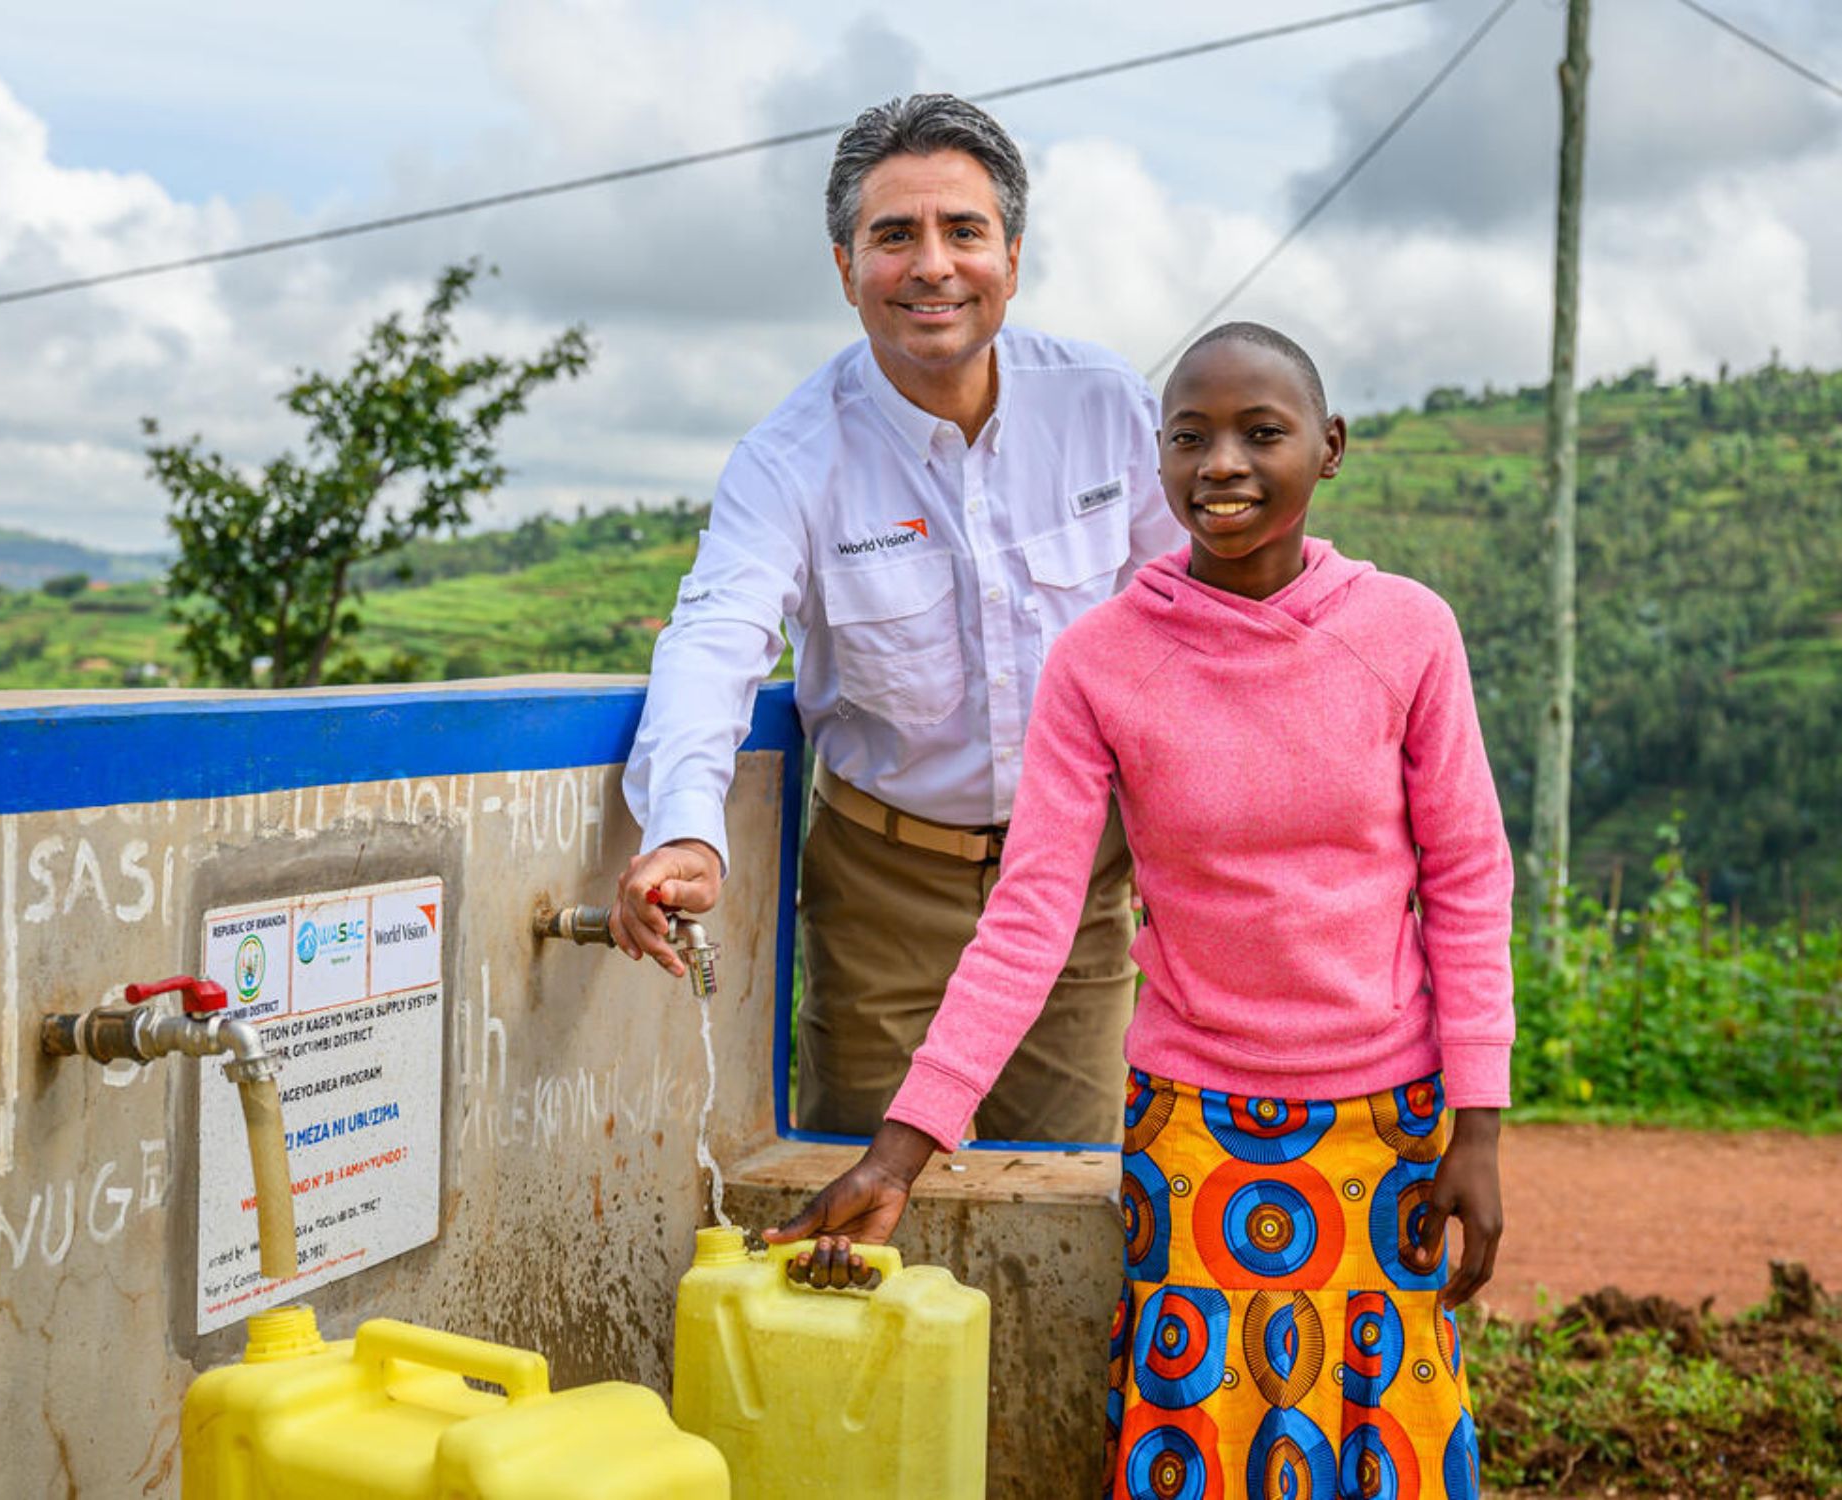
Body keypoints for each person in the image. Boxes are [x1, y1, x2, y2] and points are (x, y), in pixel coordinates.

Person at [767, 323, 1513, 1492]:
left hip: (1386, 1118)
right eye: (1187, 438)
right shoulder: (1101, 661)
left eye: (1259, 433)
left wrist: (1476, 1122)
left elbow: (1467, 880)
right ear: (1156, 462)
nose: (1219, 463)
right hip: (1195, 1122)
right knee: (1202, 1432)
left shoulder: (1405, 633)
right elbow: (1030, 917)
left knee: (1383, 1436)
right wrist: (902, 1152)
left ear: (1329, 449)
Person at [610, 93, 1182, 1141]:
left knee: (1073, 1196)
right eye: (893, 236)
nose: (931, 265)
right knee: (865, 1208)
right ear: (843, 268)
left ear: (1010, 255)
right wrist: (685, 829)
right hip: (882, 894)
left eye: (963, 231)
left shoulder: (1105, 406)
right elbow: (716, 638)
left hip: (1071, 886)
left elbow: (1183, 624)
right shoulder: (789, 458)